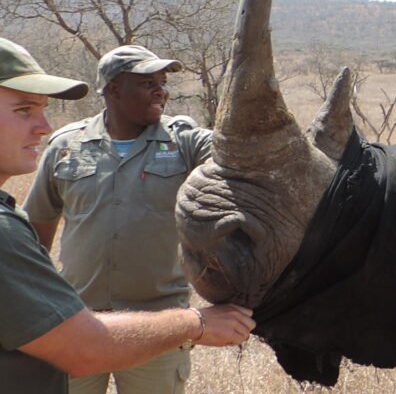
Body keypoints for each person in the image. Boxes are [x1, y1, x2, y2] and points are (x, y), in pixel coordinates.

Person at [0, 37, 255, 394]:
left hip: (159, 327)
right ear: (114, 89)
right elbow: (37, 228)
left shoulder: (182, 140)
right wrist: (39, 298)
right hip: (75, 321)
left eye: (164, 84)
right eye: (148, 83)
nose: (161, 93)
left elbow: (237, 153)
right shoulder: (66, 145)